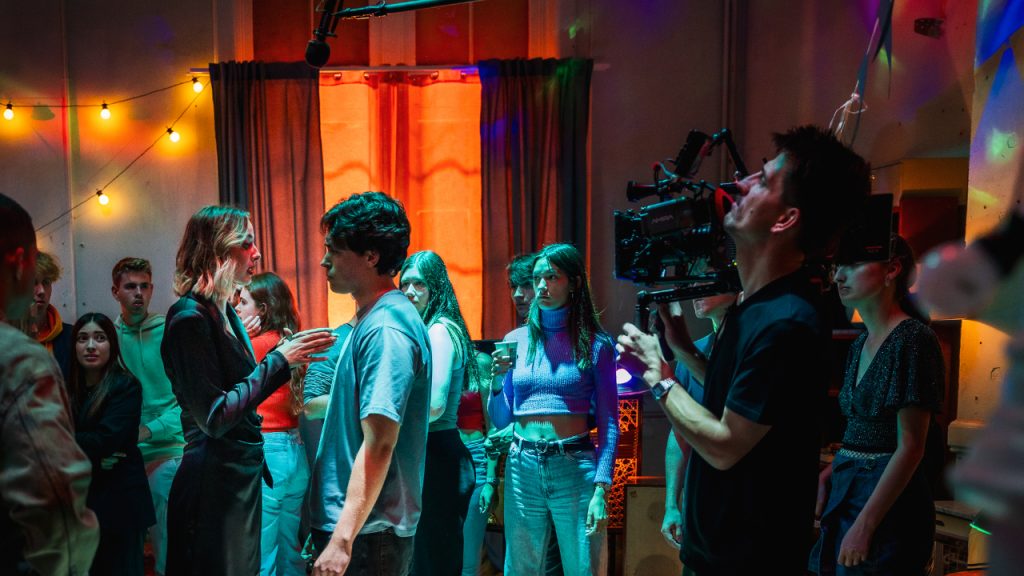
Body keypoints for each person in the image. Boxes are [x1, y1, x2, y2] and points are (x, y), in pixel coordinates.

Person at [617, 125, 870, 574]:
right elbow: (738, 400)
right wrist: (684, 351)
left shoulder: (787, 321)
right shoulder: (753, 308)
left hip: (749, 560)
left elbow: (726, 444)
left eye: (763, 180)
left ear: (785, 219)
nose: (741, 182)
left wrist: (659, 374)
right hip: (716, 552)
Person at [161, 205, 336, 576]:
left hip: (236, 478)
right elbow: (215, 416)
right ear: (217, 250)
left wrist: (286, 359)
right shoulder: (189, 317)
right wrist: (280, 361)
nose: (256, 253)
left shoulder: (223, 313)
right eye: (246, 243)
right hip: (211, 485)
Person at [309, 192, 432, 576]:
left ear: (371, 256)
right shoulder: (374, 318)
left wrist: (342, 540)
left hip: (368, 532)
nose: (324, 260)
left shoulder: (386, 328)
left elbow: (380, 441)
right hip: (363, 528)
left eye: (334, 250)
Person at [809, 235, 943, 575]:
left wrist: (865, 525)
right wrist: (829, 473)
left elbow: (911, 447)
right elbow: (863, 431)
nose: (839, 276)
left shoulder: (913, 338)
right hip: (849, 488)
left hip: (886, 502)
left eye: (852, 265)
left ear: (892, 269)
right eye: (837, 266)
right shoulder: (859, 344)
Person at [489, 242, 619, 576]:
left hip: (573, 464)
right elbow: (501, 418)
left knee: (584, 568)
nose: (541, 286)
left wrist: (602, 488)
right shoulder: (516, 340)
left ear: (573, 282)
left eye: (552, 277)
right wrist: (497, 381)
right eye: (537, 278)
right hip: (522, 464)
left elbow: (609, 422)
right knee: (520, 569)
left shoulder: (597, 344)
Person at [0, 193, 99, 575]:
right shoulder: (19, 361)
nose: (39, 290)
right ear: (19, 263)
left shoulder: (66, 340)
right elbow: (55, 501)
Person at [399, 250, 477, 575]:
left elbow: (433, 406)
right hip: (436, 452)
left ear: (436, 286)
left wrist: (388, 418)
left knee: (431, 560)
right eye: (405, 284)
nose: (410, 291)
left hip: (437, 454)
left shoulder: (440, 330)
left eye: (419, 283)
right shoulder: (432, 328)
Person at [235, 272, 312, 576]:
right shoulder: (291, 343)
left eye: (243, 302)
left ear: (263, 310)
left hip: (268, 452)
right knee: (290, 550)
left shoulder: (253, 346)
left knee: (263, 555)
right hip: (295, 450)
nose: (236, 307)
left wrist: (239, 336)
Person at [110, 257, 183, 576]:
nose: (138, 293)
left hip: (169, 450)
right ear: (115, 292)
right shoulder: (108, 338)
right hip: (124, 457)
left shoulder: (170, 331)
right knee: (125, 550)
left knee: (169, 547)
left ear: (152, 289)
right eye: (130, 287)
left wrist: (148, 430)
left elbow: (188, 404)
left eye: (144, 286)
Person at [67, 312, 156, 575]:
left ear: (112, 344)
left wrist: (65, 442)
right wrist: (94, 458)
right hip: (79, 503)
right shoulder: (65, 388)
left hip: (120, 504)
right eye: (82, 339)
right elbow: (45, 439)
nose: (90, 346)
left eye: (99, 338)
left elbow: (105, 440)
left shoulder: (125, 386)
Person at [660, 292, 737, 550]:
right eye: (692, 282)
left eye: (706, 279)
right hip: (699, 495)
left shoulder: (749, 348)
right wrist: (671, 504)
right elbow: (680, 432)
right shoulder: (695, 350)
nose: (695, 289)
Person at [27, 251, 74, 380]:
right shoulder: (5, 337)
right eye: (33, 282)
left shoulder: (72, 336)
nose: (41, 291)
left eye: (46, 282)